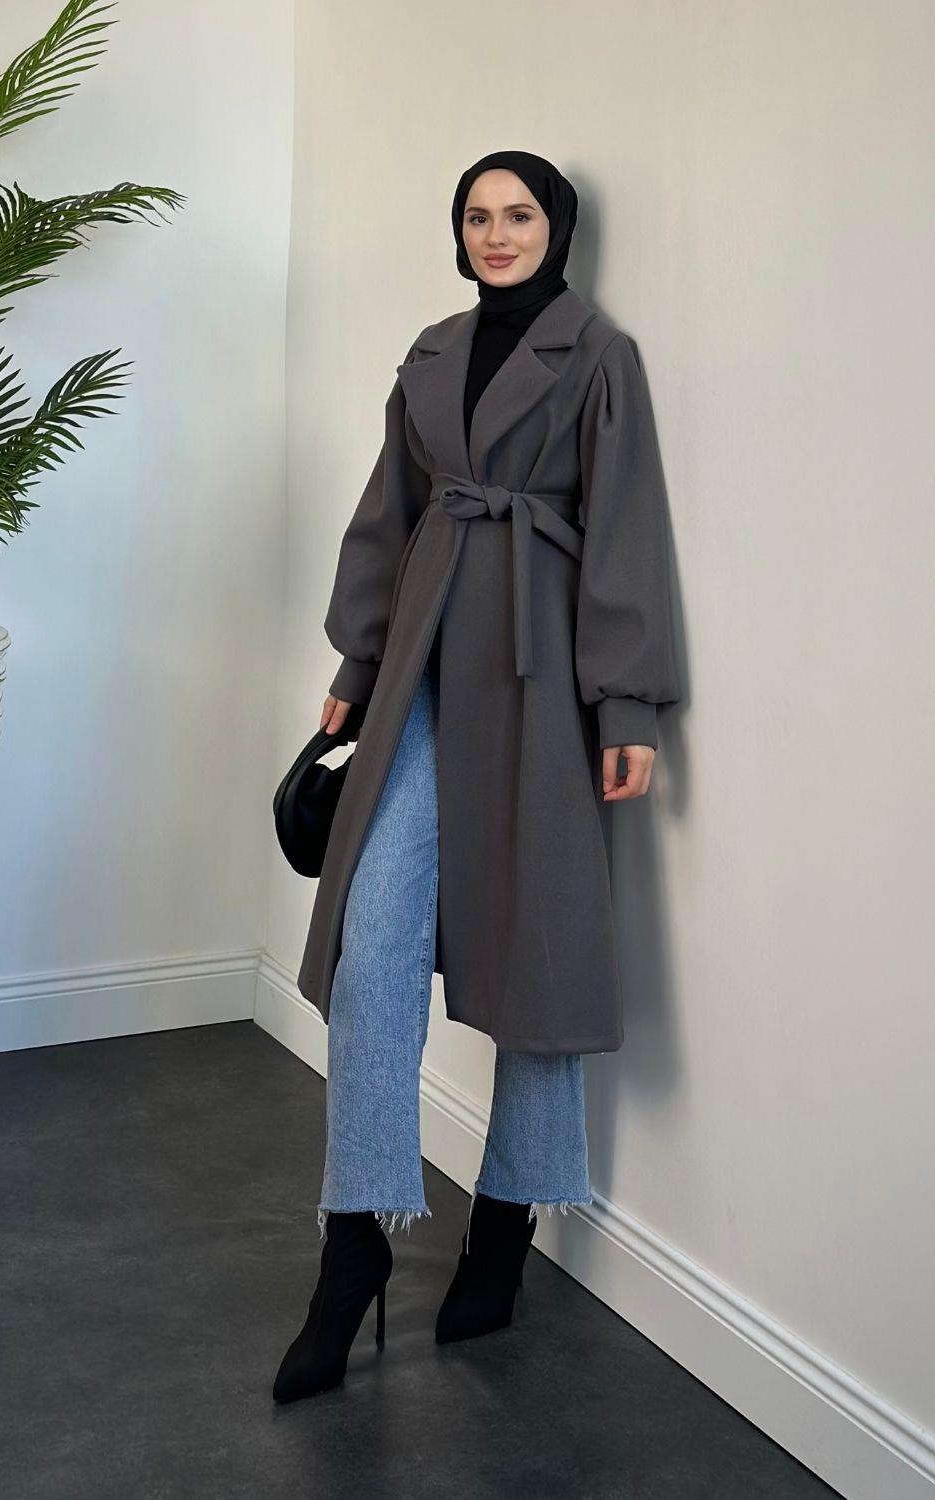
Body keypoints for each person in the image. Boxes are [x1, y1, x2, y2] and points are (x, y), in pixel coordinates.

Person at [274, 150, 680, 1404]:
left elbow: (624, 528)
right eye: (475, 216)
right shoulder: (434, 350)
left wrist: (626, 700)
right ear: (456, 234)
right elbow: (386, 512)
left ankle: (504, 1228)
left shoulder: (598, 355)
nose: (495, 233)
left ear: (557, 227)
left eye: (517, 214)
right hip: (423, 670)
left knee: (536, 954)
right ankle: (354, 1245)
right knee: (373, 943)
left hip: (538, 678)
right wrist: (356, 662)